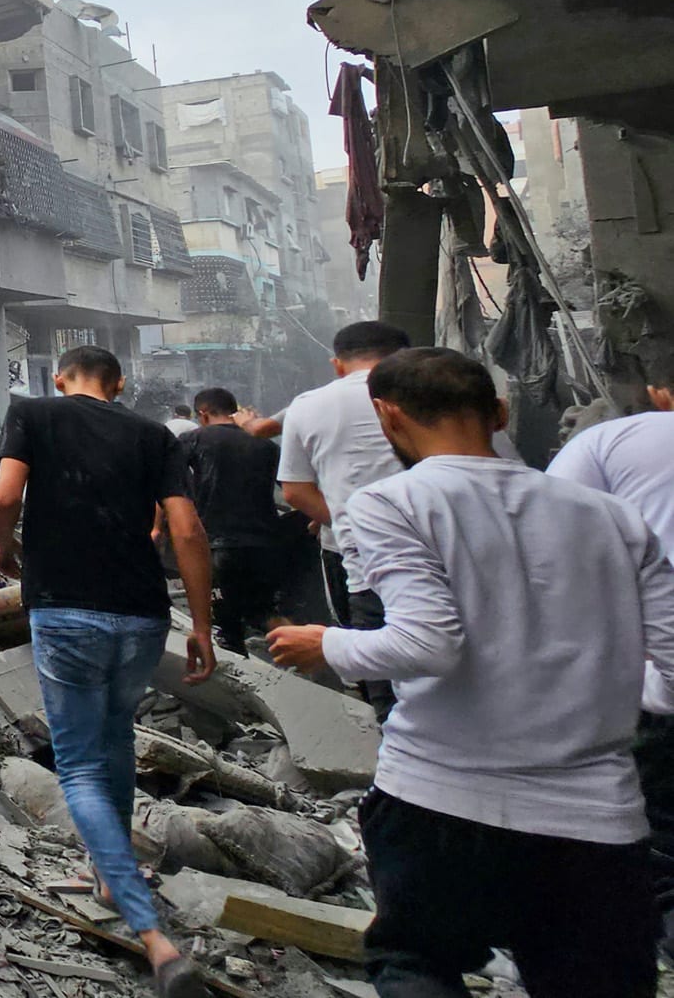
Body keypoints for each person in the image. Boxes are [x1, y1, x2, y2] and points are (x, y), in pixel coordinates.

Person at [268, 349, 674, 996]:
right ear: (501, 413)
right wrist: (609, 692)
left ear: (388, 417)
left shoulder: (389, 504)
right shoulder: (611, 515)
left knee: (414, 960)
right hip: (594, 820)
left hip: (442, 802)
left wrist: (330, 643)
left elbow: (429, 642)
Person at [0, 345, 215, 997]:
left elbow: (5, 495)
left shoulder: (32, 411)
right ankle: (112, 878)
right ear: (119, 383)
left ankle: (155, 938)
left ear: (60, 378)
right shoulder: (153, 434)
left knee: (81, 764)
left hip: (65, 611)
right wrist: (200, 624)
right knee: (115, 740)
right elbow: (187, 528)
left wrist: (7, 548)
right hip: (142, 616)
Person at [547, 351, 674, 962]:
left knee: (663, 852)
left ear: (660, 393)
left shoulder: (611, 443)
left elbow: (555, 559)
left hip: (655, 682)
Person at [274, 319, 411, 715]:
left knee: (382, 681)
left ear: (337, 364)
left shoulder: (308, 405)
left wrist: (350, 521)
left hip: (359, 561)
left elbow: (295, 491)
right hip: (448, 558)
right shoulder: (431, 396)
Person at [177, 388, 296, 655]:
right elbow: (289, 489)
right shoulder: (265, 444)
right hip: (265, 542)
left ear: (203, 414)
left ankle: (230, 691)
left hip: (219, 544)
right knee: (262, 611)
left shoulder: (194, 439)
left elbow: (169, 485)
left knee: (225, 627)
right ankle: (313, 659)